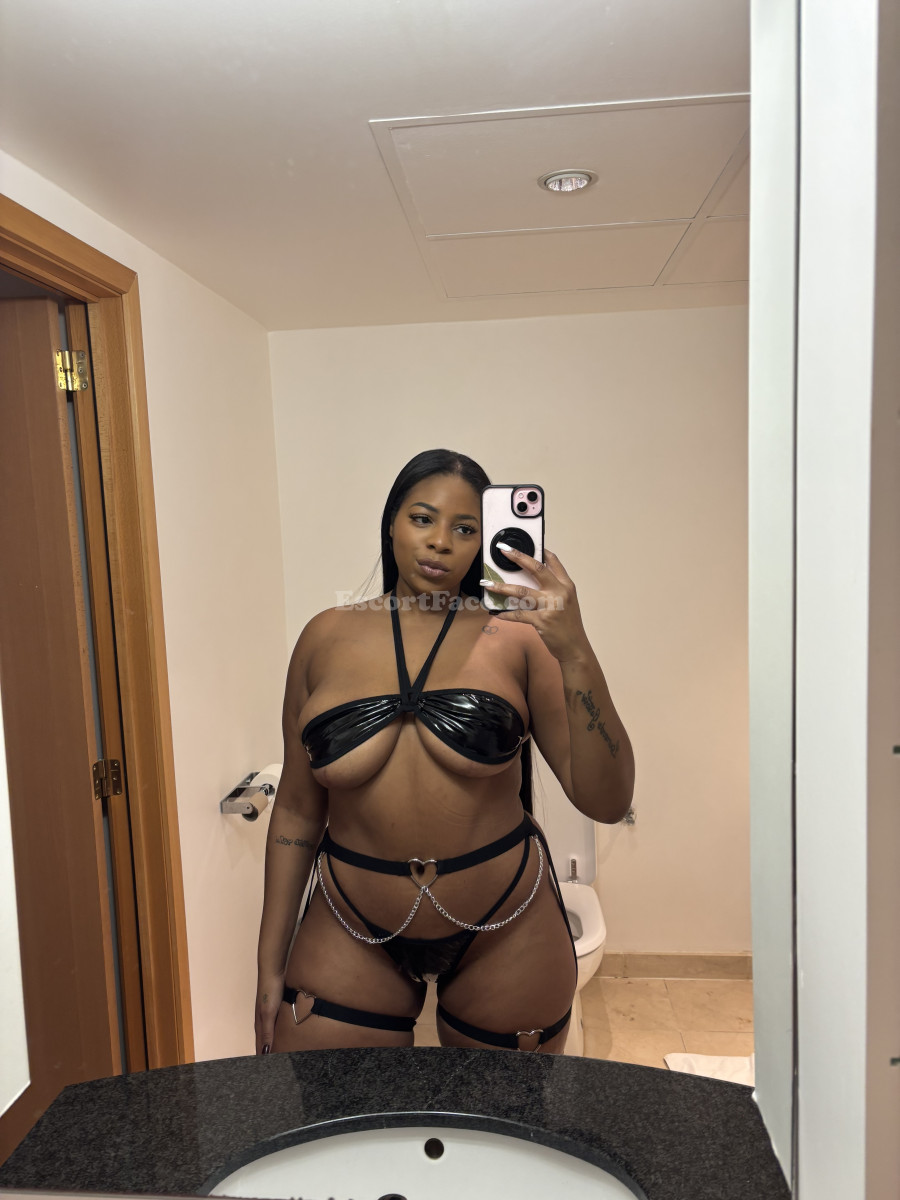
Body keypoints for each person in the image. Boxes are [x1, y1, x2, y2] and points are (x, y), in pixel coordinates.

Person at [255, 449, 634, 1055]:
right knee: (338, 1111)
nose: (440, 543)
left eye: (465, 529)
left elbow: (607, 802)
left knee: (501, 1114)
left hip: (507, 923)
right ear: (391, 523)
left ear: (486, 542)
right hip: (350, 922)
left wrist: (575, 649)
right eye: (422, 518)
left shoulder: (520, 640)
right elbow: (298, 812)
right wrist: (269, 963)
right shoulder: (323, 637)